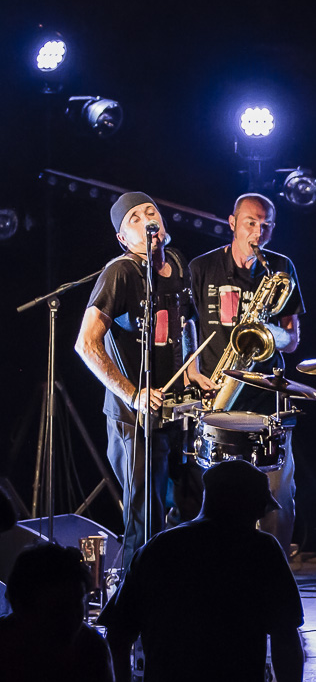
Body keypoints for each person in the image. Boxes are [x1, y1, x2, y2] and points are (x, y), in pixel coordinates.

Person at [99, 459, 308, 682]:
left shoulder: (157, 548)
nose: (261, 516)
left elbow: (117, 637)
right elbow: (285, 638)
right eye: (259, 508)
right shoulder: (262, 550)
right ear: (246, 503)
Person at [75, 192, 215, 569]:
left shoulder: (178, 263)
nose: (147, 220)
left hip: (175, 410)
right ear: (123, 238)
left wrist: (193, 369)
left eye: (150, 212)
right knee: (144, 521)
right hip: (133, 418)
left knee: (191, 507)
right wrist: (133, 393)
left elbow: (186, 322)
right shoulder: (120, 272)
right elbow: (86, 343)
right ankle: (134, 597)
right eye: (134, 218)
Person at [190, 193, 305, 550]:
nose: (258, 232)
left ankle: (272, 566)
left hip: (267, 400)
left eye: (266, 226)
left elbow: (292, 340)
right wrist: (191, 371)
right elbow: (185, 327)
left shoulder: (281, 268)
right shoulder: (202, 267)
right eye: (250, 223)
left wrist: (268, 333)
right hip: (217, 396)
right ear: (232, 223)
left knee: (277, 496)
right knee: (213, 496)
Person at [0, 544, 113, 682]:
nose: (71, 618)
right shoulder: (91, 648)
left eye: (78, 602)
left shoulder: (92, 649)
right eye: (58, 607)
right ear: (22, 606)